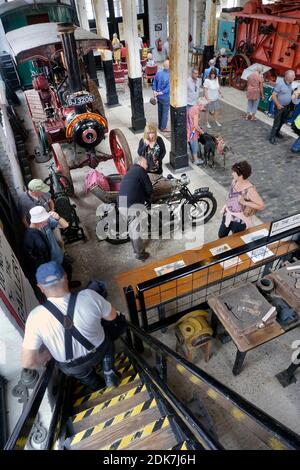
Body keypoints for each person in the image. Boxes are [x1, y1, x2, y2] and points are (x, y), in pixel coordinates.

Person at [21, 262, 119, 391]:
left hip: (71, 366)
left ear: (40, 287)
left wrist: (45, 356)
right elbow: (112, 317)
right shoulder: (90, 296)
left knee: (82, 374)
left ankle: (95, 386)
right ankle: (109, 373)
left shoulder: (34, 318)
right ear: (66, 277)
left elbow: (28, 362)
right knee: (108, 337)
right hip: (99, 350)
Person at [23, 206, 79, 298]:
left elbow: (65, 225)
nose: (47, 221)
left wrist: (58, 218)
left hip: (59, 256)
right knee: (59, 281)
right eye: (44, 220)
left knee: (68, 269)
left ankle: (68, 284)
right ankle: (65, 292)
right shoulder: (30, 238)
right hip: (52, 265)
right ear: (38, 221)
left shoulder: (45, 224)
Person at [118, 156, 153, 261]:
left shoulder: (130, 171)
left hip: (121, 203)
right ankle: (140, 254)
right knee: (135, 229)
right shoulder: (141, 171)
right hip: (131, 205)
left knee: (131, 228)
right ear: (141, 162)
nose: (147, 166)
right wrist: (149, 199)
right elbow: (149, 189)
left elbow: (136, 188)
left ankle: (135, 249)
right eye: (146, 163)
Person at [219, 161, 264, 238]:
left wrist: (244, 202)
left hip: (239, 221)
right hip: (227, 214)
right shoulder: (234, 181)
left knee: (235, 242)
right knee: (221, 235)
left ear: (241, 175)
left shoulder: (249, 189)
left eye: (234, 172)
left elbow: (261, 206)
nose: (232, 173)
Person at [269, 69, 296, 145]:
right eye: (293, 76)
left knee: (282, 121)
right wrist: (278, 105)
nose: (294, 78)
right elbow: (274, 95)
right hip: (279, 107)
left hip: (287, 107)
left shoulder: (290, 83)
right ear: (288, 77)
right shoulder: (280, 84)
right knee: (276, 123)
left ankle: (277, 133)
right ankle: (272, 137)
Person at [187, 98, 206, 165]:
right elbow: (195, 125)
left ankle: (193, 158)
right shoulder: (196, 112)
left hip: (188, 129)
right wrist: (202, 132)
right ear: (200, 105)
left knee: (192, 144)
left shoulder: (192, 108)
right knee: (194, 145)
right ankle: (196, 160)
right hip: (193, 131)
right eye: (204, 106)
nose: (204, 108)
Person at [153, 60, 170, 132]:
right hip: (165, 96)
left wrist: (155, 91)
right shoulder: (170, 75)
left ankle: (160, 125)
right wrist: (160, 92)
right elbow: (168, 88)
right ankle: (163, 127)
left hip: (158, 96)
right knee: (165, 113)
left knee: (160, 111)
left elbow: (154, 82)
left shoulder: (158, 73)